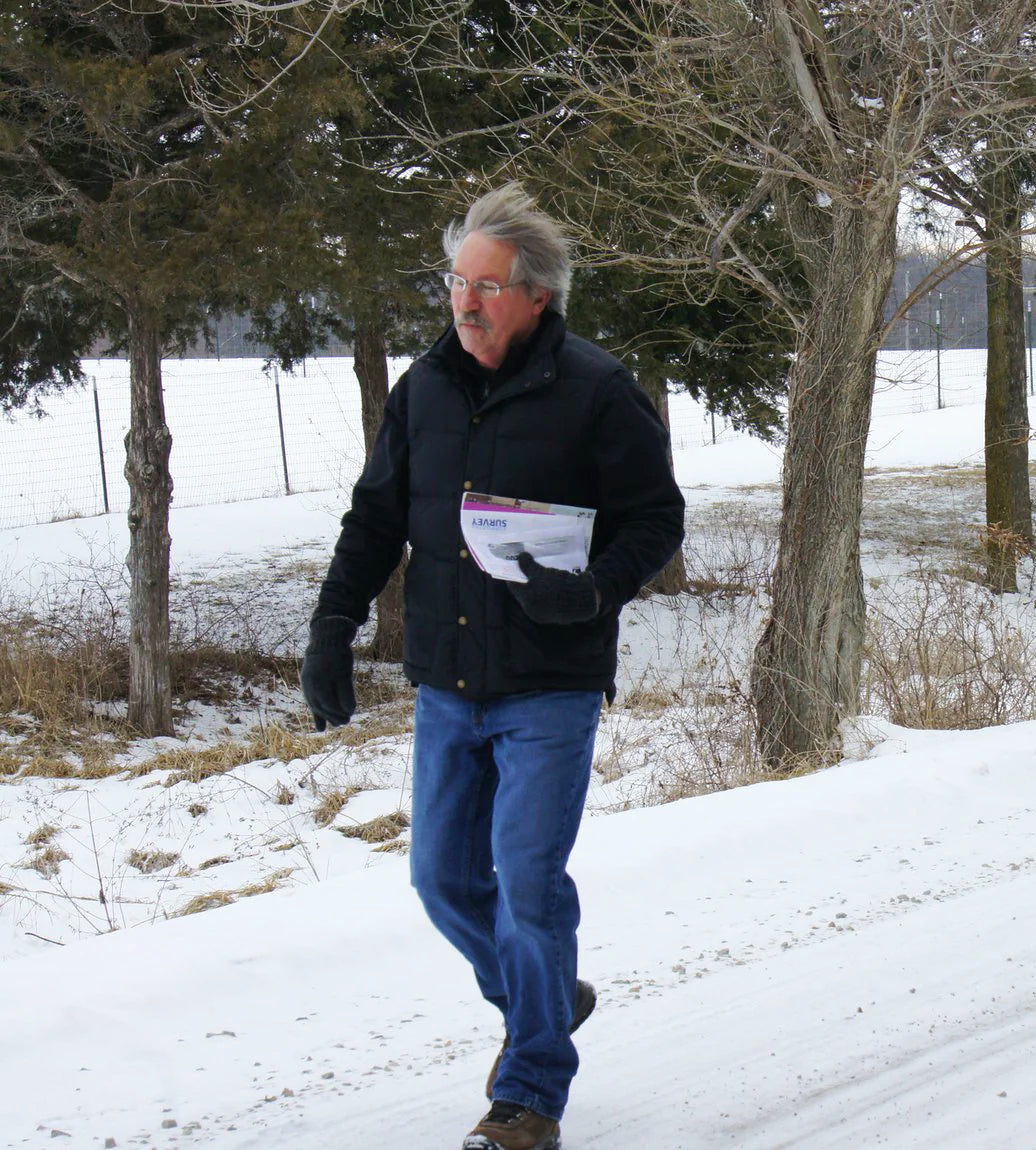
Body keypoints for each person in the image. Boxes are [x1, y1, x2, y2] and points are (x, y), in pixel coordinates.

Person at [298, 184, 685, 1150]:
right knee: (439, 880)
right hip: (447, 681)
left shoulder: (598, 391)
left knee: (526, 881)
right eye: (456, 282)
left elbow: (655, 519)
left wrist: (593, 592)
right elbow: (375, 518)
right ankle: (543, 993)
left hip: (549, 683)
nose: (464, 303)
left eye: (486, 287)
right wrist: (332, 624)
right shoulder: (422, 388)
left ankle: (528, 1095)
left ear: (537, 298)